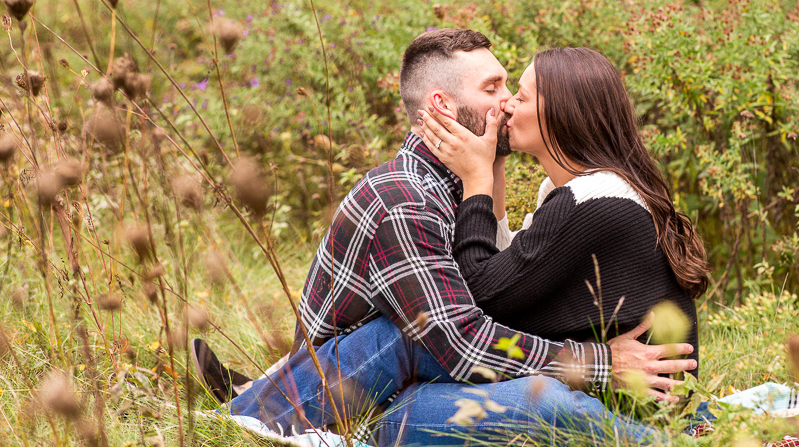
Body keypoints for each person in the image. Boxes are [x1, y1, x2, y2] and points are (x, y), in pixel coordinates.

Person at [196, 31, 696, 440]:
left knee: (422, 364)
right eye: (496, 89)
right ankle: (266, 405)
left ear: (563, 111)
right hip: (395, 371)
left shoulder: (586, 199)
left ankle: (275, 398)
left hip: (630, 399)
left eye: (517, 94)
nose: (505, 105)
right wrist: (598, 362)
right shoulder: (410, 201)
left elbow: (491, 295)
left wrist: (485, 178)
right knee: (403, 339)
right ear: (442, 106)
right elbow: (469, 324)